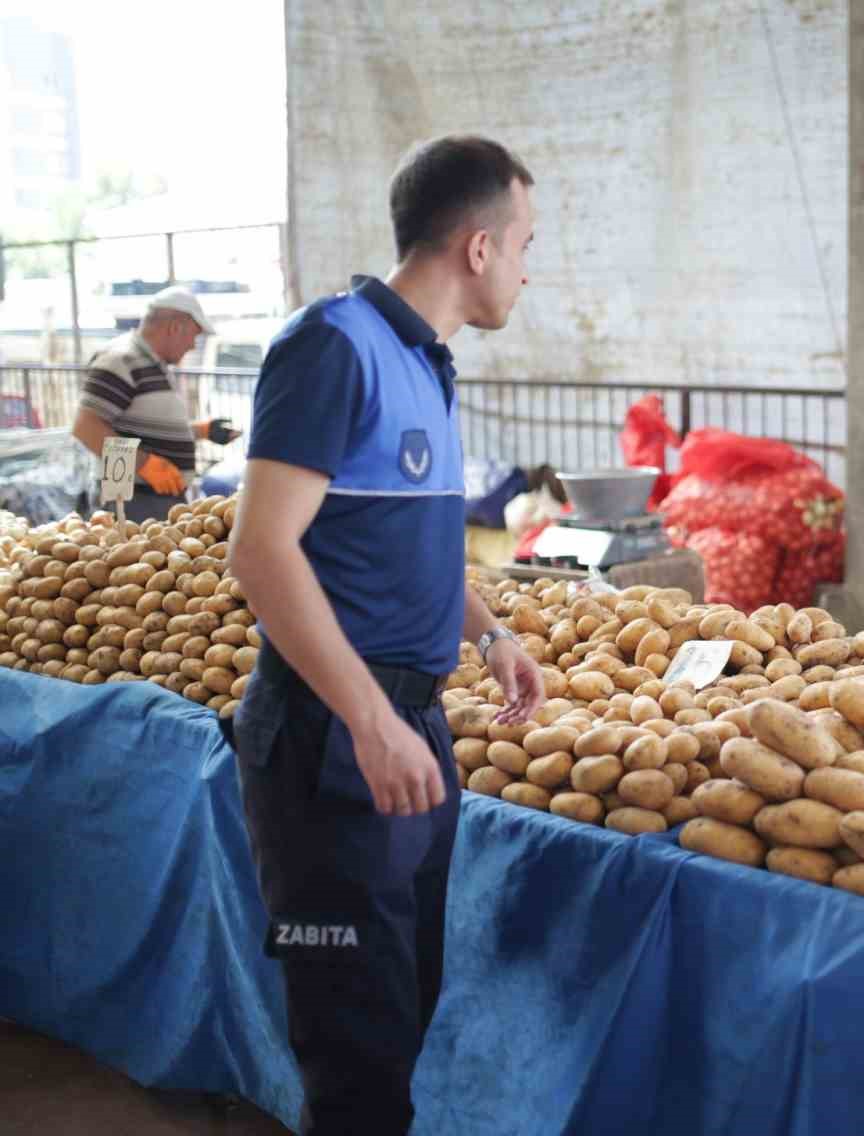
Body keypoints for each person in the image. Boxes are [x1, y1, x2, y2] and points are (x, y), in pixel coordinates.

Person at [225, 134, 546, 1135]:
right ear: (480, 245)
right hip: (329, 745)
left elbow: (404, 544)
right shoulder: (332, 345)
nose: (531, 269)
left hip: (411, 727)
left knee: (398, 1013)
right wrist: (366, 719)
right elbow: (261, 550)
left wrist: (488, 631)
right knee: (353, 1051)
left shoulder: (425, 363)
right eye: (528, 244)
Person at [71, 286, 241, 521]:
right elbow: (86, 427)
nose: (193, 345)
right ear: (175, 327)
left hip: (151, 498)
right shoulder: (121, 359)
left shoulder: (150, 362)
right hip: (133, 499)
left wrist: (202, 431)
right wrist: (144, 464)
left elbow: (141, 427)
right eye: (194, 335)